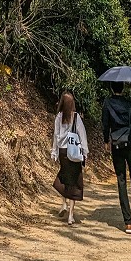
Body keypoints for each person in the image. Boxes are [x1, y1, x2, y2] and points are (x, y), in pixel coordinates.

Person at [102, 81, 131, 233]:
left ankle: (128, 223)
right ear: (123, 88)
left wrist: (106, 141)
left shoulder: (107, 103)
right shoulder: (129, 103)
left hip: (116, 144)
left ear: (111, 87)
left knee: (121, 180)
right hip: (130, 142)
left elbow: (105, 124)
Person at [51, 90, 89, 225]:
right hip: (73, 152)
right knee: (74, 181)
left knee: (65, 178)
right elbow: (82, 135)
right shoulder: (76, 117)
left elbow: (56, 136)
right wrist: (85, 152)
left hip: (62, 152)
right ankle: (71, 215)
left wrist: (54, 152)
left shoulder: (58, 117)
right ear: (72, 103)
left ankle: (64, 204)